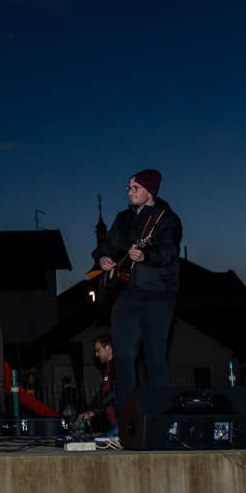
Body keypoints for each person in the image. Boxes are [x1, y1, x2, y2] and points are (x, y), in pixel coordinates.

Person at [91, 169, 182, 420]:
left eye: (135, 188)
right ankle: (128, 421)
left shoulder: (167, 219)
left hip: (157, 296)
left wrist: (146, 256)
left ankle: (160, 419)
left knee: (155, 359)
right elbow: (105, 245)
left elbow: (169, 251)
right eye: (128, 188)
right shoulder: (122, 219)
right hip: (123, 295)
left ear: (149, 191)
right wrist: (103, 257)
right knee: (122, 360)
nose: (130, 192)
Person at [76, 334, 117, 436]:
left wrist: (93, 412)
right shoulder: (109, 367)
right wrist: (88, 411)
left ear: (108, 348)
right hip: (114, 422)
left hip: (122, 422)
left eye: (98, 350)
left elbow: (115, 392)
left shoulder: (118, 366)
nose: (96, 354)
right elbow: (101, 393)